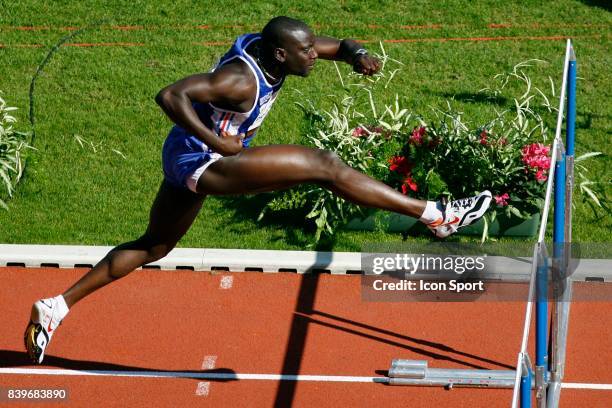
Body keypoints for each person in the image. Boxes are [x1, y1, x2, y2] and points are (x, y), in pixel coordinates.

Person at [24, 16, 492, 364]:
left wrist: (355, 54)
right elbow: (170, 95)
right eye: (307, 52)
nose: (316, 55)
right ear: (281, 56)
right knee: (322, 165)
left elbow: (338, 44)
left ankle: (55, 306)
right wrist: (218, 142)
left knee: (155, 245)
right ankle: (436, 214)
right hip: (202, 159)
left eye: (313, 48)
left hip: (187, 154)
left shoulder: (277, 51)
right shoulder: (239, 81)